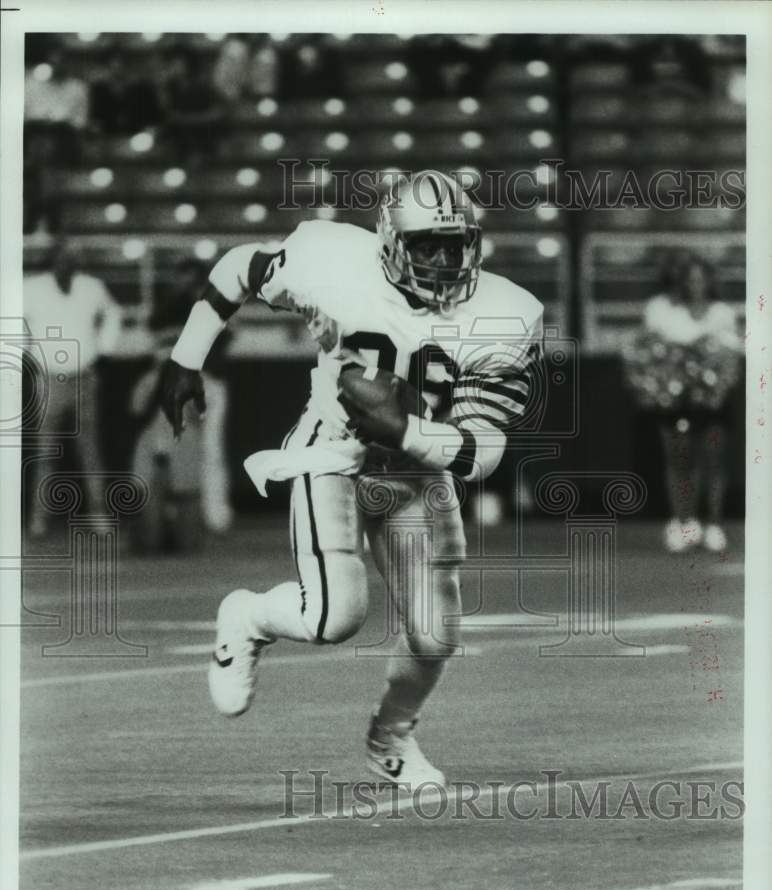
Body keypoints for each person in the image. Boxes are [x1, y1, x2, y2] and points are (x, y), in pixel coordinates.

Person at [160, 170, 542, 788]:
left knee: (435, 632)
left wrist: (408, 433)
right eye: (427, 246)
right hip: (333, 448)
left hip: (417, 467)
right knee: (333, 618)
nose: (445, 260)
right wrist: (185, 357)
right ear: (391, 241)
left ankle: (389, 740)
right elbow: (239, 269)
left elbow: (489, 445)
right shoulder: (330, 259)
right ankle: (247, 618)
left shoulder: (508, 312)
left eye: (456, 244)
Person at [626, 251, 742, 553]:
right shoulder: (660, 309)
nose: (696, 285)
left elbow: (732, 351)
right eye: (690, 279)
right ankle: (685, 523)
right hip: (674, 398)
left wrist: (710, 354)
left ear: (709, 282)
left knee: (713, 458)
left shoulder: (721, 313)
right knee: (679, 458)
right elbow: (646, 345)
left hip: (712, 400)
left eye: (701, 279)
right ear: (679, 282)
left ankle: (714, 525)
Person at [23, 238, 122, 536]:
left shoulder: (91, 287)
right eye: (64, 256)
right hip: (49, 376)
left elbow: (114, 314)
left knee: (90, 449)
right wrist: (27, 353)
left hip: (84, 375)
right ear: (53, 258)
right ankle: (39, 519)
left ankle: (99, 515)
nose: (69, 261)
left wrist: (104, 349)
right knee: (43, 452)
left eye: (74, 257)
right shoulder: (32, 288)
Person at [149, 258, 233, 533]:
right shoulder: (171, 306)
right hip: (182, 381)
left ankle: (214, 514)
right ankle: (177, 514)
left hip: (209, 382)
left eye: (193, 279)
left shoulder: (219, 304)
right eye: (183, 278)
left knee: (211, 450)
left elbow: (225, 340)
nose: (187, 284)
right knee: (173, 448)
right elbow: (156, 333)